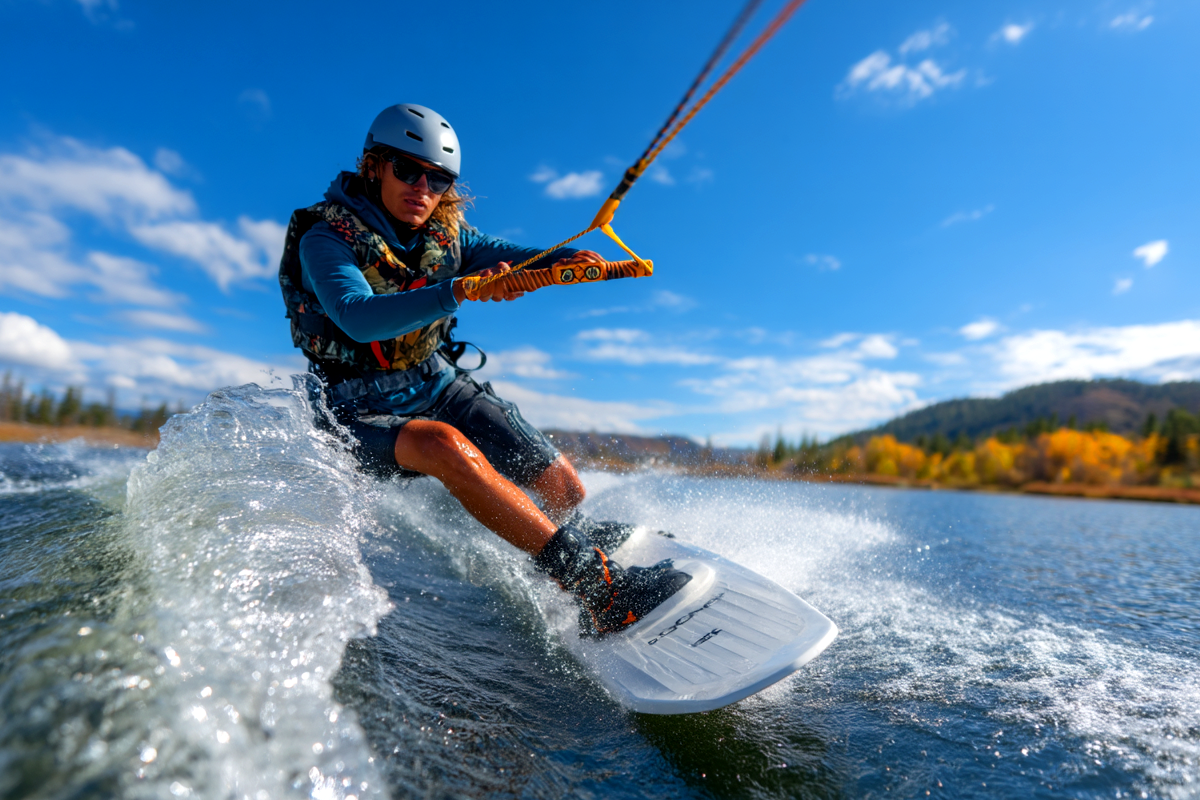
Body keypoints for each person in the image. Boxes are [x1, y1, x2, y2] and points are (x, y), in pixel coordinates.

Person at [278, 103, 689, 635]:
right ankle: (598, 591)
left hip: (435, 380)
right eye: (407, 170)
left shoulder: (450, 237)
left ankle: (571, 544)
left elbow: (516, 258)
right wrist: (461, 290)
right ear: (373, 166)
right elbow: (356, 318)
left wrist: (559, 263)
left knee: (564, 487)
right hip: (357, 407)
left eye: (438, 179)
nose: (422, 187)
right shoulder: (325, 238)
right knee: (443, 447)